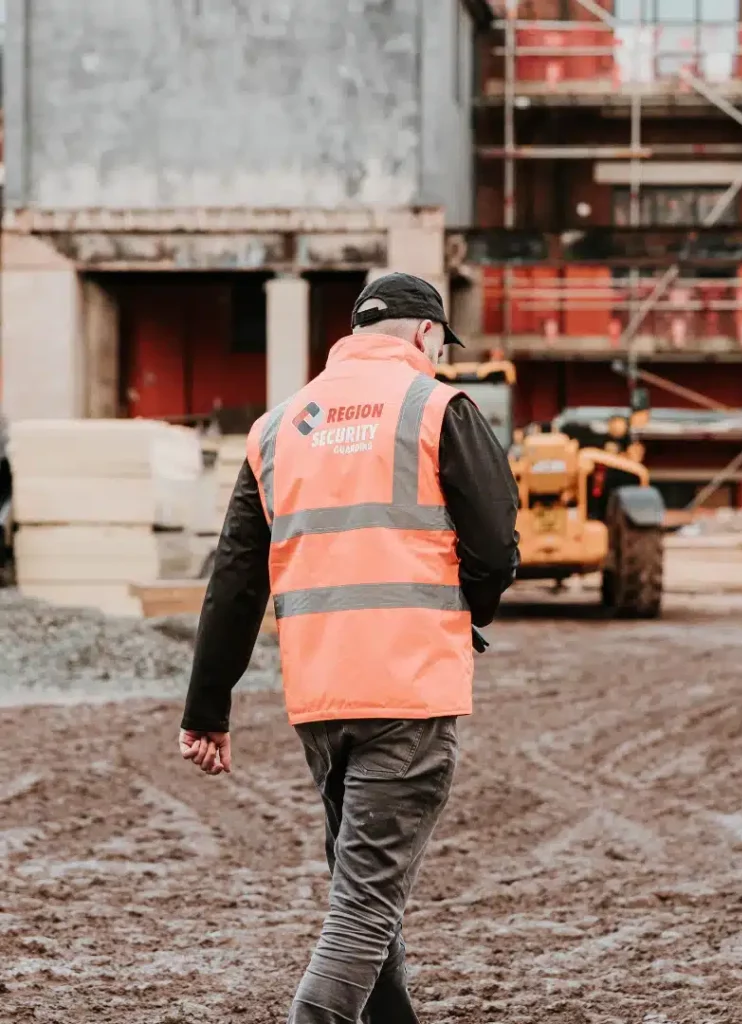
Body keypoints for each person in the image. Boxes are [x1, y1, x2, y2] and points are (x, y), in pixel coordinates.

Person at [177, 272, 520, 1023]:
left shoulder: (276, 428)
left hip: (321, 700)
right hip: (408, 692)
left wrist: (208, 708)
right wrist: (473, 609)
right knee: (365, 906)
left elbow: (235, 581)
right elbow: (495, 542)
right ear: (428, 334)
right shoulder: (437, 407)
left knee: (366, 886)